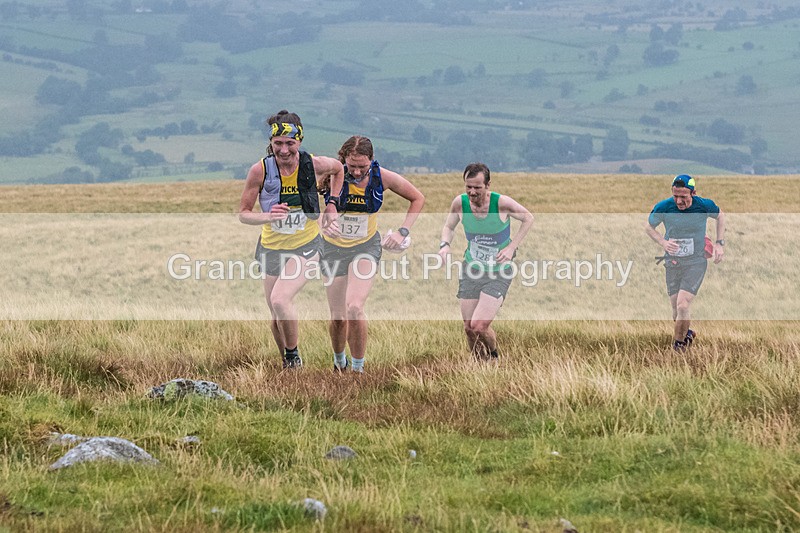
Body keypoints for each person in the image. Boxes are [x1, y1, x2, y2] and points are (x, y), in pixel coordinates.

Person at [239, 110, 344, 369]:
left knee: (280, 300)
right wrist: (267, 216)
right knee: (275, 317)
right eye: (278, 144)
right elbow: (243, 214)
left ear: (299, 141)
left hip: (306, 245)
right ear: (271, 142)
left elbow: (339, 169)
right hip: (271, 247)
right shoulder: (259, 170)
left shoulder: (315, 164)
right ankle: (287, 364)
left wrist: (332, 204)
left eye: (290, 144)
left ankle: (293, 357)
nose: (283, 150)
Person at [321, 135, 424, 373]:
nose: (356, 172)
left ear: (372, 160)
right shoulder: (331, 175)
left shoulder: (382, 177)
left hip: (365, 247)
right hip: (333, 248)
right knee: (338, 318)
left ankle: (358, 370)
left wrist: (402, 232)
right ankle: (339, 363)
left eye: (362, 167)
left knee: (355, 307)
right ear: (343, 160)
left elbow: (417, 198)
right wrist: (324, 222)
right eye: (352, 166)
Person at [438, 162, 534, 360]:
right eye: (468, 187)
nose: (472, 192)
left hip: (498, 271)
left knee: (479, 326)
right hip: (471, 269)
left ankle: (494, 356)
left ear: (488, 185)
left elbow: (528, 218)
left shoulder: (501, 203)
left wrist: (511, 247)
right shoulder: (460, 203)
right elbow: (449, 226)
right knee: (468, 328)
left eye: (477, 187)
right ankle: (479, 365)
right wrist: (444, 245)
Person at [645, 174, 725, 351]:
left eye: (683, 197)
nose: (679, 201)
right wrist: (663, 242)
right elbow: (649, 227)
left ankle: (679, 346)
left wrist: (719, 243)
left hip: (696, 262)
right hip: (672, 262)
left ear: (693, 193)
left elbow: (720, 216)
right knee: (676, 311)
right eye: (675, 196)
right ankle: (686, 333)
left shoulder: (703, 205)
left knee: (683, 304)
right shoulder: (665, 207)